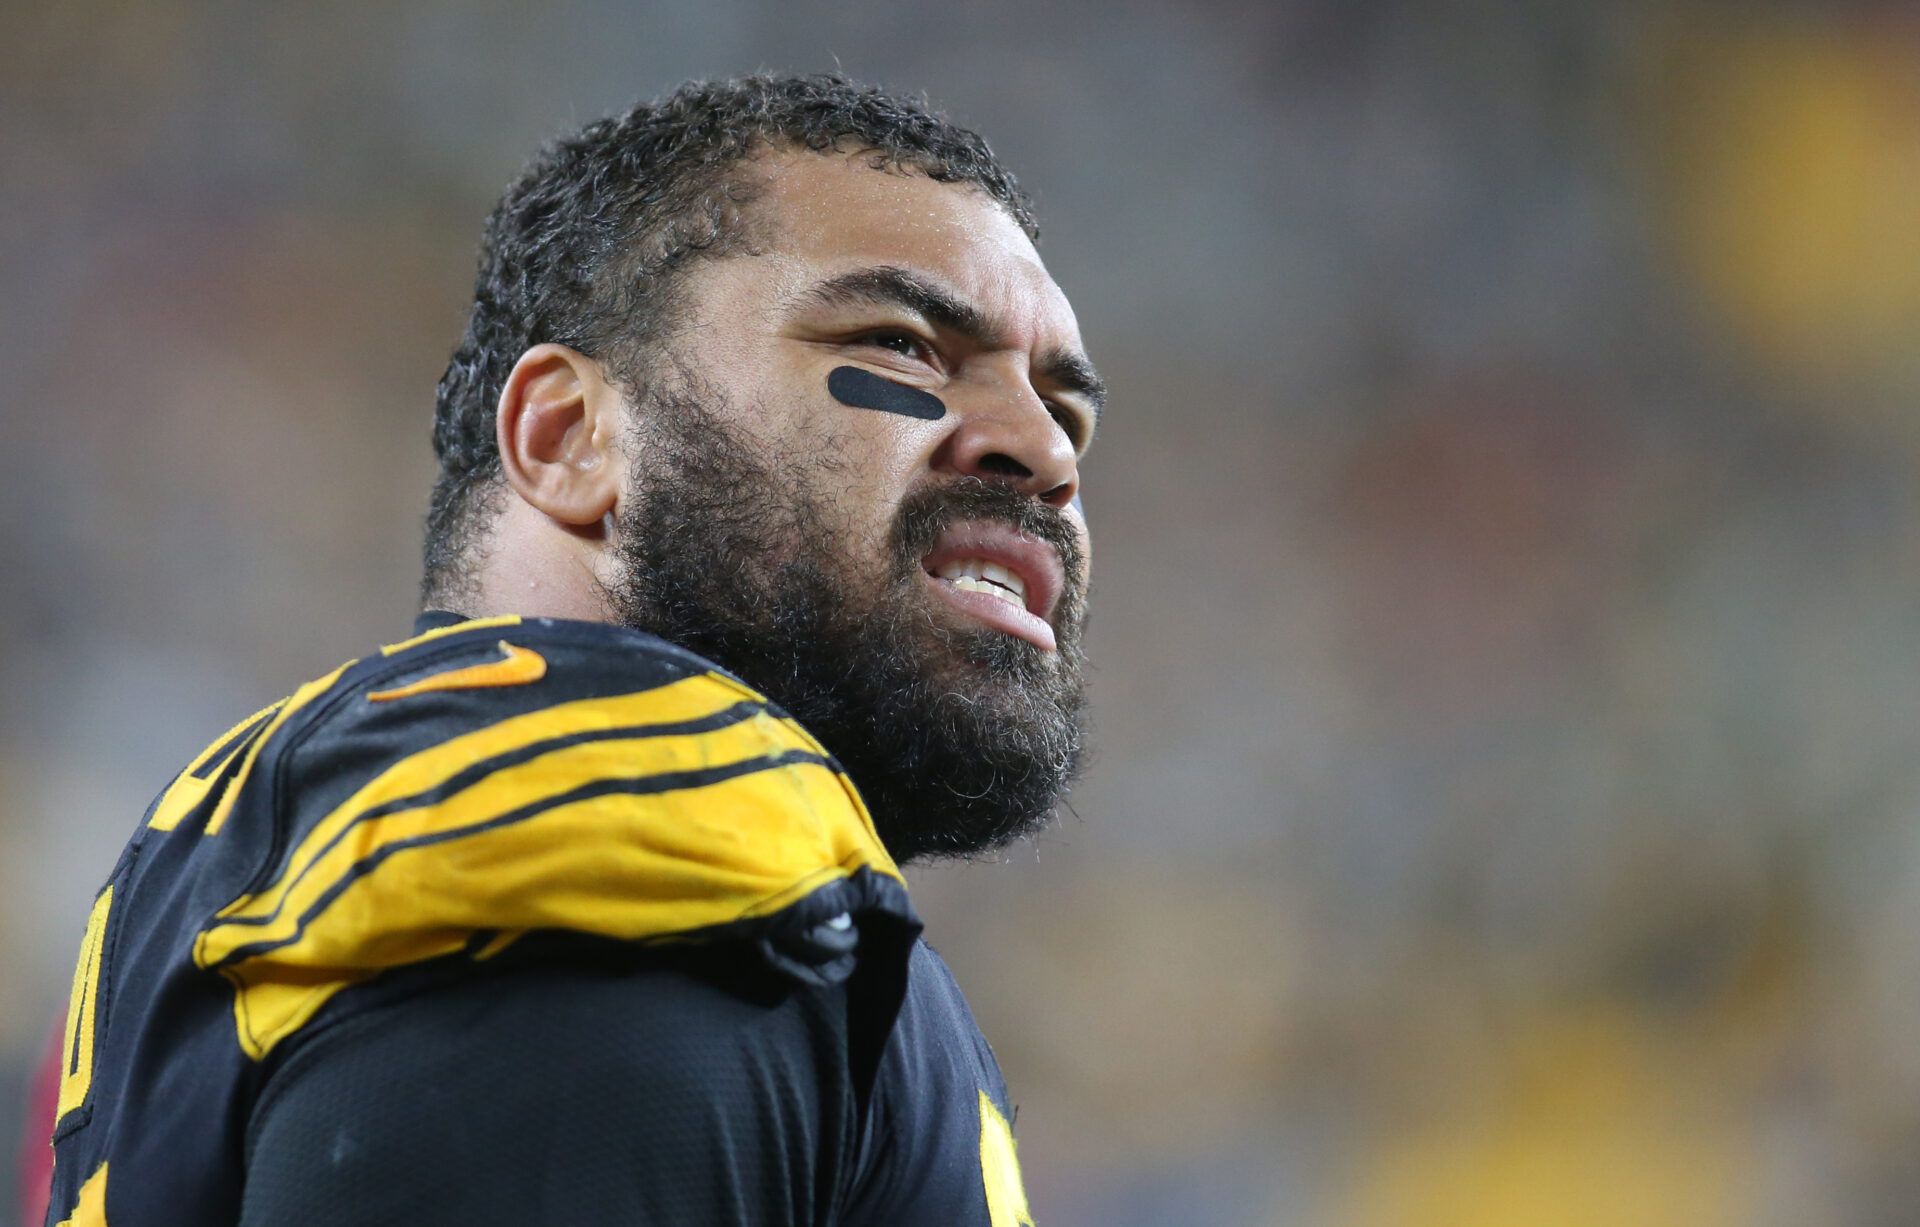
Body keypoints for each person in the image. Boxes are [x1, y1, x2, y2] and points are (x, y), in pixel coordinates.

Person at [40, 74, 1099, 1225]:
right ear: (569, 437)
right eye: (902, 346)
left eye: (1068, 411)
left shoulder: (274, 834)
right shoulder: (628, 801)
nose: (1044, 450)